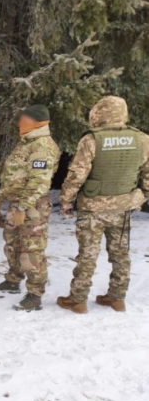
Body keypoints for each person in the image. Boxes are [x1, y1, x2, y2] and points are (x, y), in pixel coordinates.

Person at [56, 96, 149, 313]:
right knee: (120, 253)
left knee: (88, 253)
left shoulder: (92, 140)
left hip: (93, 207)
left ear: (99, 113)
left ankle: (78, 300)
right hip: (123, 207)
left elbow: (77, 175)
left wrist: (66, 200)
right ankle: (117, 298)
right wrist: (141, 196)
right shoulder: (142, 139)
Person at [0, 105, 61, 311]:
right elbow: (15, 177)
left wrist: (22, 206)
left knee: (31, 250)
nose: (19, 121)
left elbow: (39, 182)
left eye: (24, 118)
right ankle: (13, 280)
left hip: (32, 206)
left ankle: (35, 294)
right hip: (18, 204)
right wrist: (1, 197)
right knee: (12, 244)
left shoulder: (43, 146)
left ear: (36, 121)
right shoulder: (26, 143)